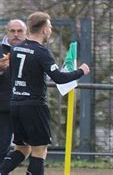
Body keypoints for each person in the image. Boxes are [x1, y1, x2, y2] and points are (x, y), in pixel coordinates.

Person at [0, 12, 90, 175]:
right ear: (43, 30)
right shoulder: (41, 52)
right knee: (39, 151)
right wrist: (81, 71)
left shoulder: (16, 49)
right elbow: (59, 78)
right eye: (49, 26)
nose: (51, 29)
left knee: (22, 148)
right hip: (34, 106)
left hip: (16, 104)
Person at [0, 20, 27, 162]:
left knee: (32, 146)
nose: (16, 34)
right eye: (12, 31)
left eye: (20, 31)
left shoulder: (32, 49)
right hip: (3, 106)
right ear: (7, 32)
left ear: (26, 32)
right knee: (2, 145)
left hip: (26, 105)